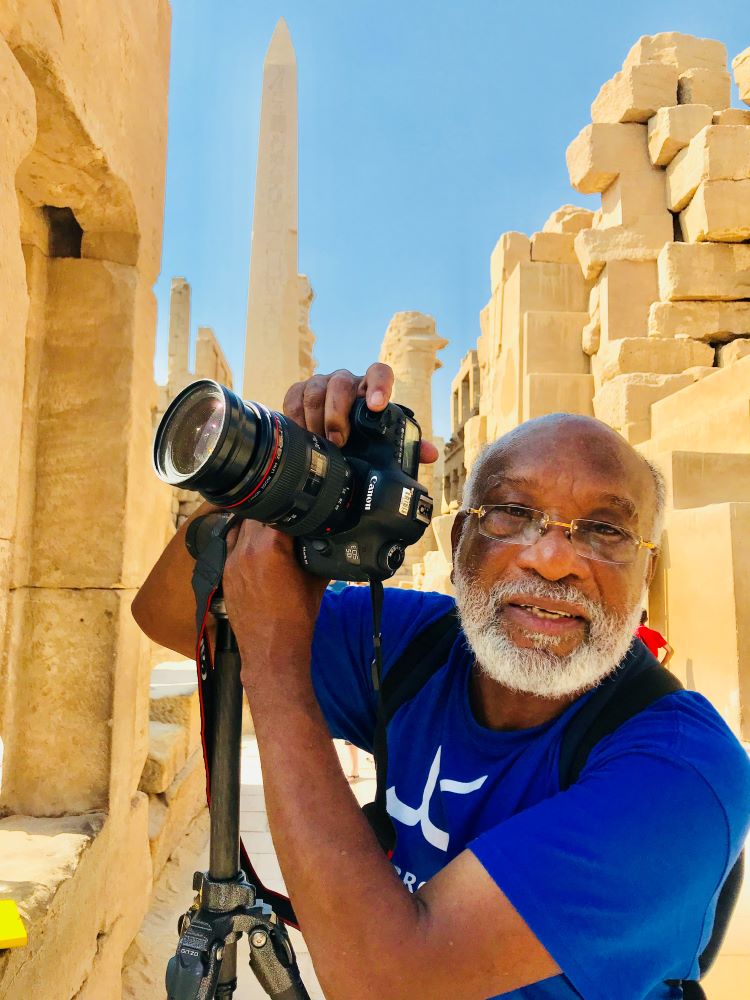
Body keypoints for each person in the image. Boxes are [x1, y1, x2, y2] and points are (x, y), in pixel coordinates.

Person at [133, 363, 750, 1000]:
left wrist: (275, 661)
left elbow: (387, 981)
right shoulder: (421, 644)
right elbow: (169, 612)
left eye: (605, 530)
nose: (554, 559)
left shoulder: (682, 770)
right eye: (513, 512)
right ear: (459, 544)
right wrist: (271, 474)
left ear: (645, 571)